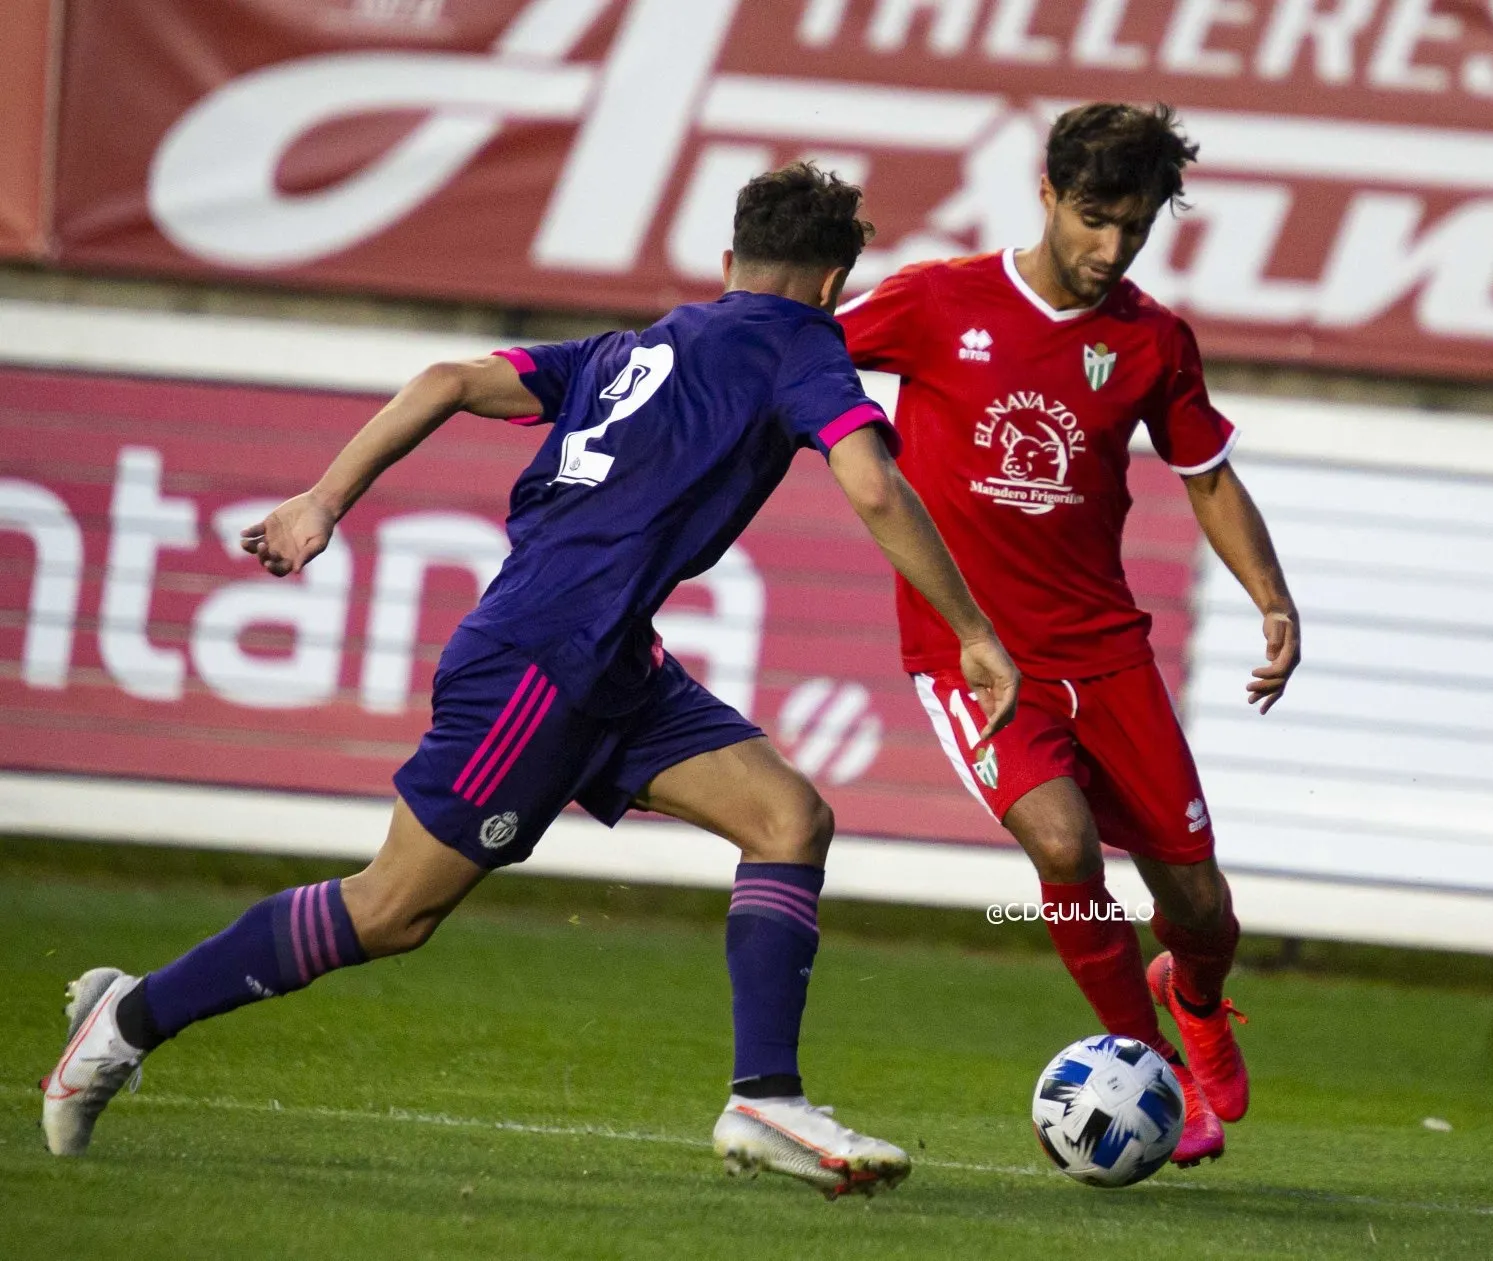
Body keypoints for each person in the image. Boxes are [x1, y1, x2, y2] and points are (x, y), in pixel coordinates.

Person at [41, 163, 1019, 1201]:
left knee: (788, 818)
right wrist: (973, 631)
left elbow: (446, 381)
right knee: (392, 912)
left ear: (728, 262)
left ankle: (764, 1098)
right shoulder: (803, 344)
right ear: (833, 285)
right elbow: (870, 481)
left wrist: (322, 501)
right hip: (541, 662)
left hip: (611, 657)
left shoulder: (628, 349)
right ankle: (130, 1018)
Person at [836, 103, 1299, 1167]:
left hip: (1109, 654)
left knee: (1198, 902)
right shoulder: (933, 301)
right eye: (1093, 218)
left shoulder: (1150, 339)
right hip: (977, 657)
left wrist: (1272, 599)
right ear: (1043, 193)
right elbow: (791, 353)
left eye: (1132, 228)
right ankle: (1160, 1076)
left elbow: (1208, 479)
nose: (1108, 248)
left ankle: (1190, 993)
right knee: (1061, 842)